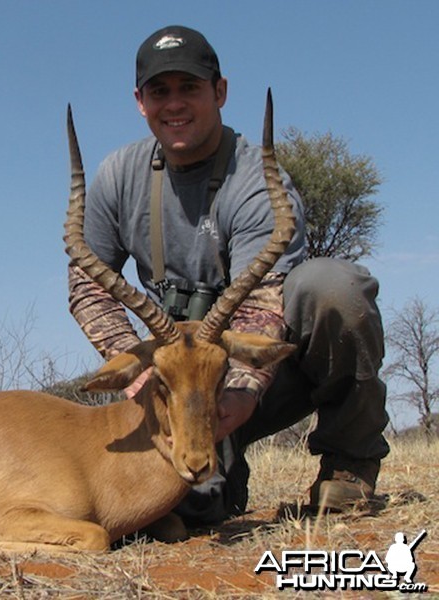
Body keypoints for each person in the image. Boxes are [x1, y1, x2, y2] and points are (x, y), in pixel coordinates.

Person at [68, 25, 390, 526]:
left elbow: (263, 301)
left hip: (249, 377)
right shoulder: (118, 176)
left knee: (332, 288)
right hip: (176, 383)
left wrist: (238, 392)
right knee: (187, 515)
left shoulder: (256, 180)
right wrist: (140, 375)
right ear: (140, 101)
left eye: (190, 88)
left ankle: (349, 465)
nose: (174, 104)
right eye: (160, 91)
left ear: (220, 91)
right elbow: (88, 284)